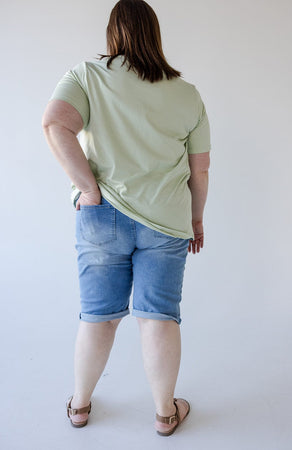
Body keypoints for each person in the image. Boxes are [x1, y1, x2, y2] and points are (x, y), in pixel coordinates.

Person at [42, 0, 211, 437]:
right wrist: (196, 220)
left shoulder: (87, 76)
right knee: (159, 317)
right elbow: (200, 170)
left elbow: (55, 125)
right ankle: (165, 414)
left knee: (98, 316)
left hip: (100, 218)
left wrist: (90, 190)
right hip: (166, 223)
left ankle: (79, 406)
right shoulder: (186, 93)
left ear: (113, 33)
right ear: (154, 35)